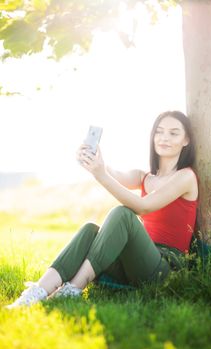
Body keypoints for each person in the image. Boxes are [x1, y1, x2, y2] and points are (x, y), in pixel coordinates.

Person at [6, 110, 198, 309]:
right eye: (159, 132)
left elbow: (143, 207)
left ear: (186, 140)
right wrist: (93, 163)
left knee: (122, 214)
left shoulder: (186, 177)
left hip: (164, 268)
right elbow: (110, 173)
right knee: (90, 229)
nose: (164, 138)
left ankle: (73, 289)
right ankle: (38, 291)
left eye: (173, 133)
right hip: (134, 263)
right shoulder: (145, 177)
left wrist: (101, 175)